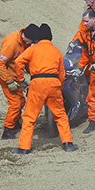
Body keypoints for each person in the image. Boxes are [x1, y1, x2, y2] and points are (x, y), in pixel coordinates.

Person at [12, 23, 79, 154]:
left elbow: (18, 62)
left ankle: (24, 148)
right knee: (60, 115)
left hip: (37, 83)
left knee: (30, 117)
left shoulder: (33, 49)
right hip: (53, 83)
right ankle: (68, 143)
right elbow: (62, 73)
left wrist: (21, 79)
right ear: (50, 37)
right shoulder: (56, 51)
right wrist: (58, 87)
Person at [0, 24, 40, 140]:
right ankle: (8, 130)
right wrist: (9, 81)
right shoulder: (12, 43)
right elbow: (0, 64)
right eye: (32, 41)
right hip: (6, 75)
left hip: (15, 76)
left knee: (21, 101)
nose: (33, 43)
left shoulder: (25, 44)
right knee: (15, 103)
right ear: (27, 38)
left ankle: (15, 122)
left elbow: (24, 62)